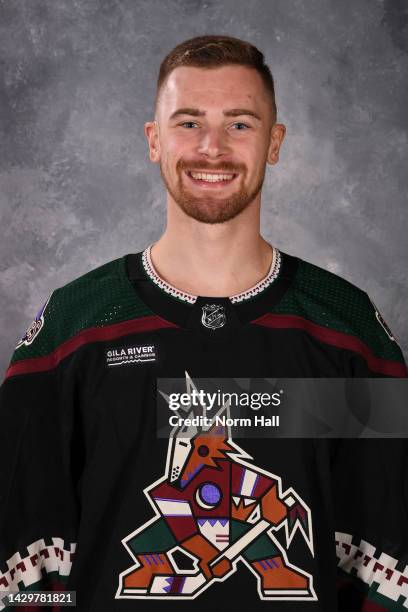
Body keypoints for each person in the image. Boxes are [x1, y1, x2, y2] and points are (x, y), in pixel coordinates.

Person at [0, 34, 406, 612]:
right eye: (188, 122)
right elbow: (25, 559)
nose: (211, 148)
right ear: (153, 139)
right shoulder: (74, 328)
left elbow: (386, 555)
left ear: (274, 142)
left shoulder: (347, 330)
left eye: (239, 124)